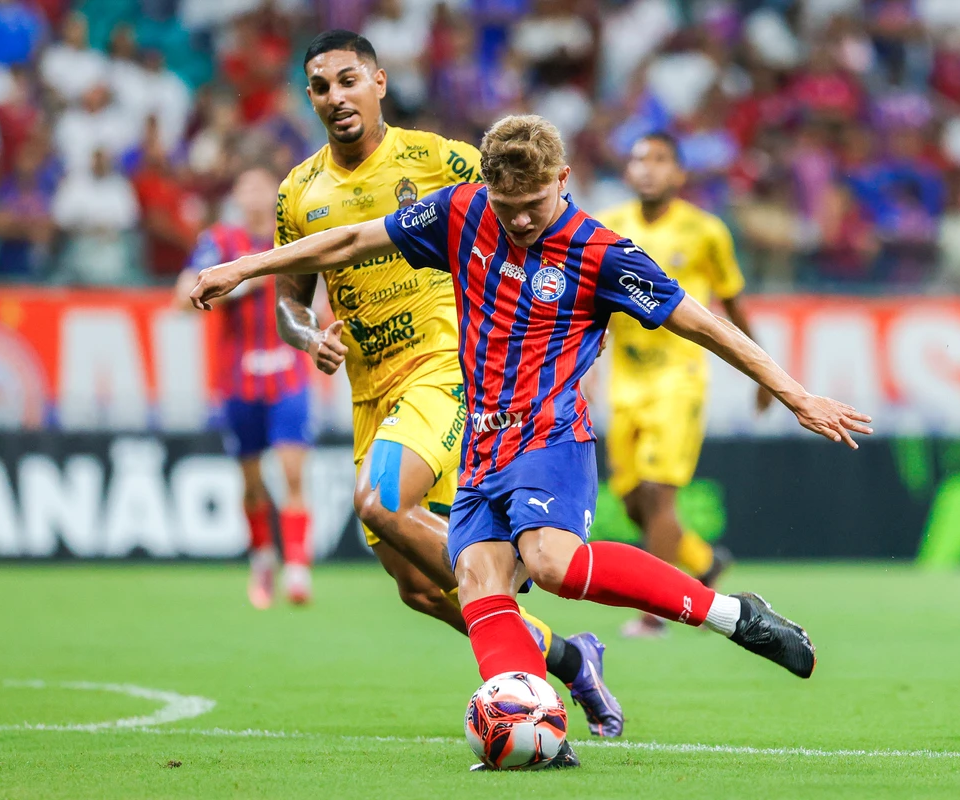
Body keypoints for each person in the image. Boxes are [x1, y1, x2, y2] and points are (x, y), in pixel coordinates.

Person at [190, 113, 873, 769]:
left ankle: (735, 615)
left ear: (564, 179)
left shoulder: (600, 251)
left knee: (551, 564)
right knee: (478, 583)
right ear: (487, 187)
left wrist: (795, 394)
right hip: (482, 445)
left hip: (551, 438)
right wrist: (244, 269)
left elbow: (703, 322)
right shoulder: (460, 213)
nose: (518, 219)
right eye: (507, 202)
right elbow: (347, 241)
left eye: (534, 203)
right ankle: (535, 727)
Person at [260, 31, 623, 738]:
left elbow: (535, 213)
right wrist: (309, 337)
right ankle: (568, 659)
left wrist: (579, 311)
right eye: (321, 86)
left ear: (380, 82)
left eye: (348, 80)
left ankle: (514, 588)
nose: (336, 96)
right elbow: (289, 300)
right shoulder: (297, 193)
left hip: (444, 371)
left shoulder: (441, 161)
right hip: (371, 394)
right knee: (419, 590)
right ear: (310, 97)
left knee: (378, 500)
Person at [598, 132, 770, 638]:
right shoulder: (609, 226)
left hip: (680, 376)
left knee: (657, 493)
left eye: (659, 160)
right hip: (626, 378)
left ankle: (657, 612)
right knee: (630, 497)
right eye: (638, 160)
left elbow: (732, 303)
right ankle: (703, 561)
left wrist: (761, 371)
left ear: (679, 174)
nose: (647, 169)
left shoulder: (705, 231)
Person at [175, 167, 313, 607]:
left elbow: (322, 290)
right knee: (252, 482)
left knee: (292, 472)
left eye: (261, 189)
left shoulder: (293, 237)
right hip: (238, 378)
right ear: (236, 195)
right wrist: (236, 287)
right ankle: (263, 557)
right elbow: (183, 295)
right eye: (246, 188)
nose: (254, 197)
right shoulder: (220, 243)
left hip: (288, 371)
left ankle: (297, 568)